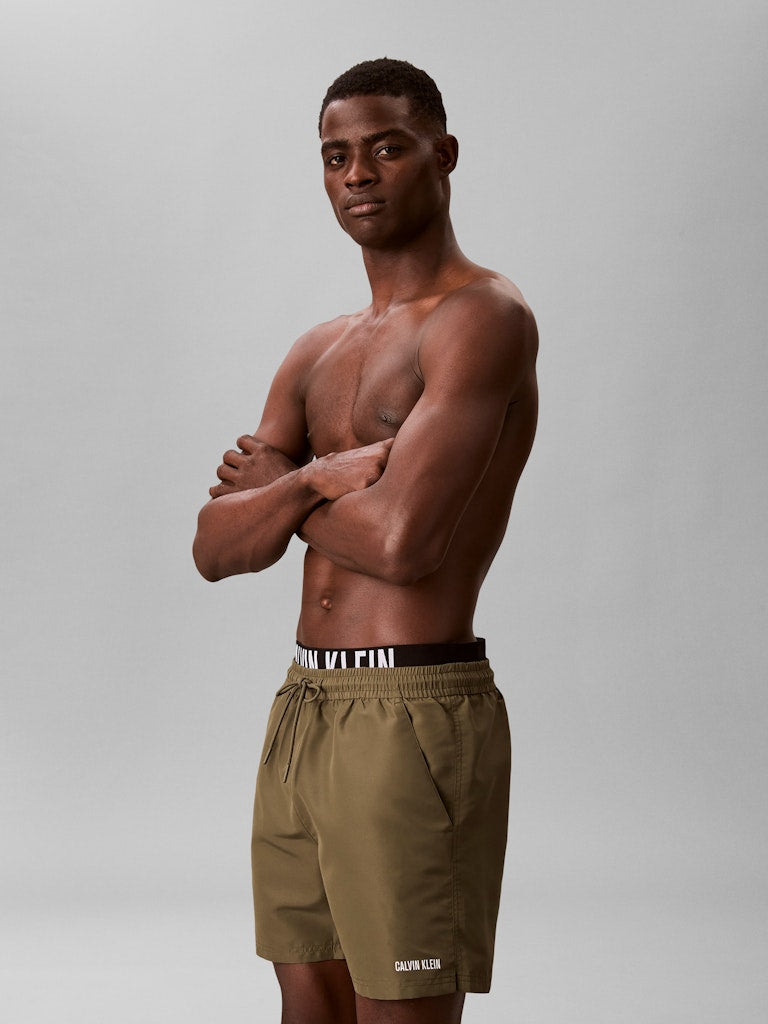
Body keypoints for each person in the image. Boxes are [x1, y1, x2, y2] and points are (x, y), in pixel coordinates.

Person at [193, 57, 538, 1024]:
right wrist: (309, 480)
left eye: (387, 149)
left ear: (443, 154)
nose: (358, 175)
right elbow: (215, 549)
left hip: (411, 711)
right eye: (336, 156)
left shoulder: (482, 320)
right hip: (304, 705)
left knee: (400, 1009)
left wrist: (276, 496)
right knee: (308, 1004)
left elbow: (401, 544)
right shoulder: (318, 349)